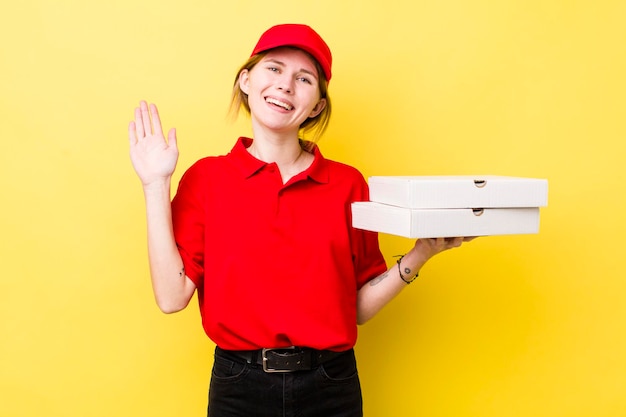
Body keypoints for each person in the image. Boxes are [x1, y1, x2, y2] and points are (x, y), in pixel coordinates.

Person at [128, 23, 472, 417]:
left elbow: (357, 307)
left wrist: (422, 252)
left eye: (304, 78)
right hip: (239, 386)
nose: (286, 86)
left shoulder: (347, 184)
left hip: (331, 385)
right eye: (273, 69)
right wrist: (155, 185)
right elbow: (171, 299)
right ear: (245, 79)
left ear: (318, 105)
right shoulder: (206, 180)